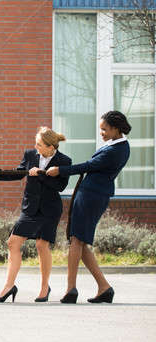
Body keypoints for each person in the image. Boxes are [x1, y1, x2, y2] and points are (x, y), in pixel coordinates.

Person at [46, 111, 131, 304]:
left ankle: (71, 290)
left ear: (116, 129)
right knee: (80, 242)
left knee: (76, 240)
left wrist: (60, 170)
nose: (101, 132)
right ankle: (104, 288)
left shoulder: (117, 150)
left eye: (104, 129)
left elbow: (88, 165)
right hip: (91, 194)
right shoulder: (115, 145)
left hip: (92, 196)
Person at [0, 127, 71, 303]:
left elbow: (60, 186)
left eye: (39, 145)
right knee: (13, 242)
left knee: (41, 245)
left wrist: (40, 174)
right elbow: (19, 173)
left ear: (50, 146)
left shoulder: (64, 160)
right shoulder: (31, 154)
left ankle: (44, 287)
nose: (36, 147)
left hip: (49, 209)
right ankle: (9, 286)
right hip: (30, 208)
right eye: (36, 144)